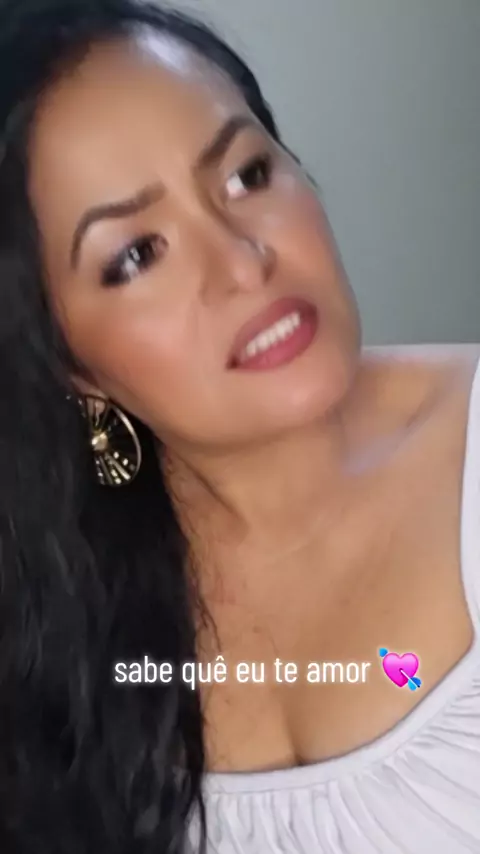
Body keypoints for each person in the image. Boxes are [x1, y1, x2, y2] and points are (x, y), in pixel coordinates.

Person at [0, 0, 479, 851]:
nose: (243, 261)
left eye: (247, 175)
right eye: (137, 254)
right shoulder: (68, 625)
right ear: (68, 364)